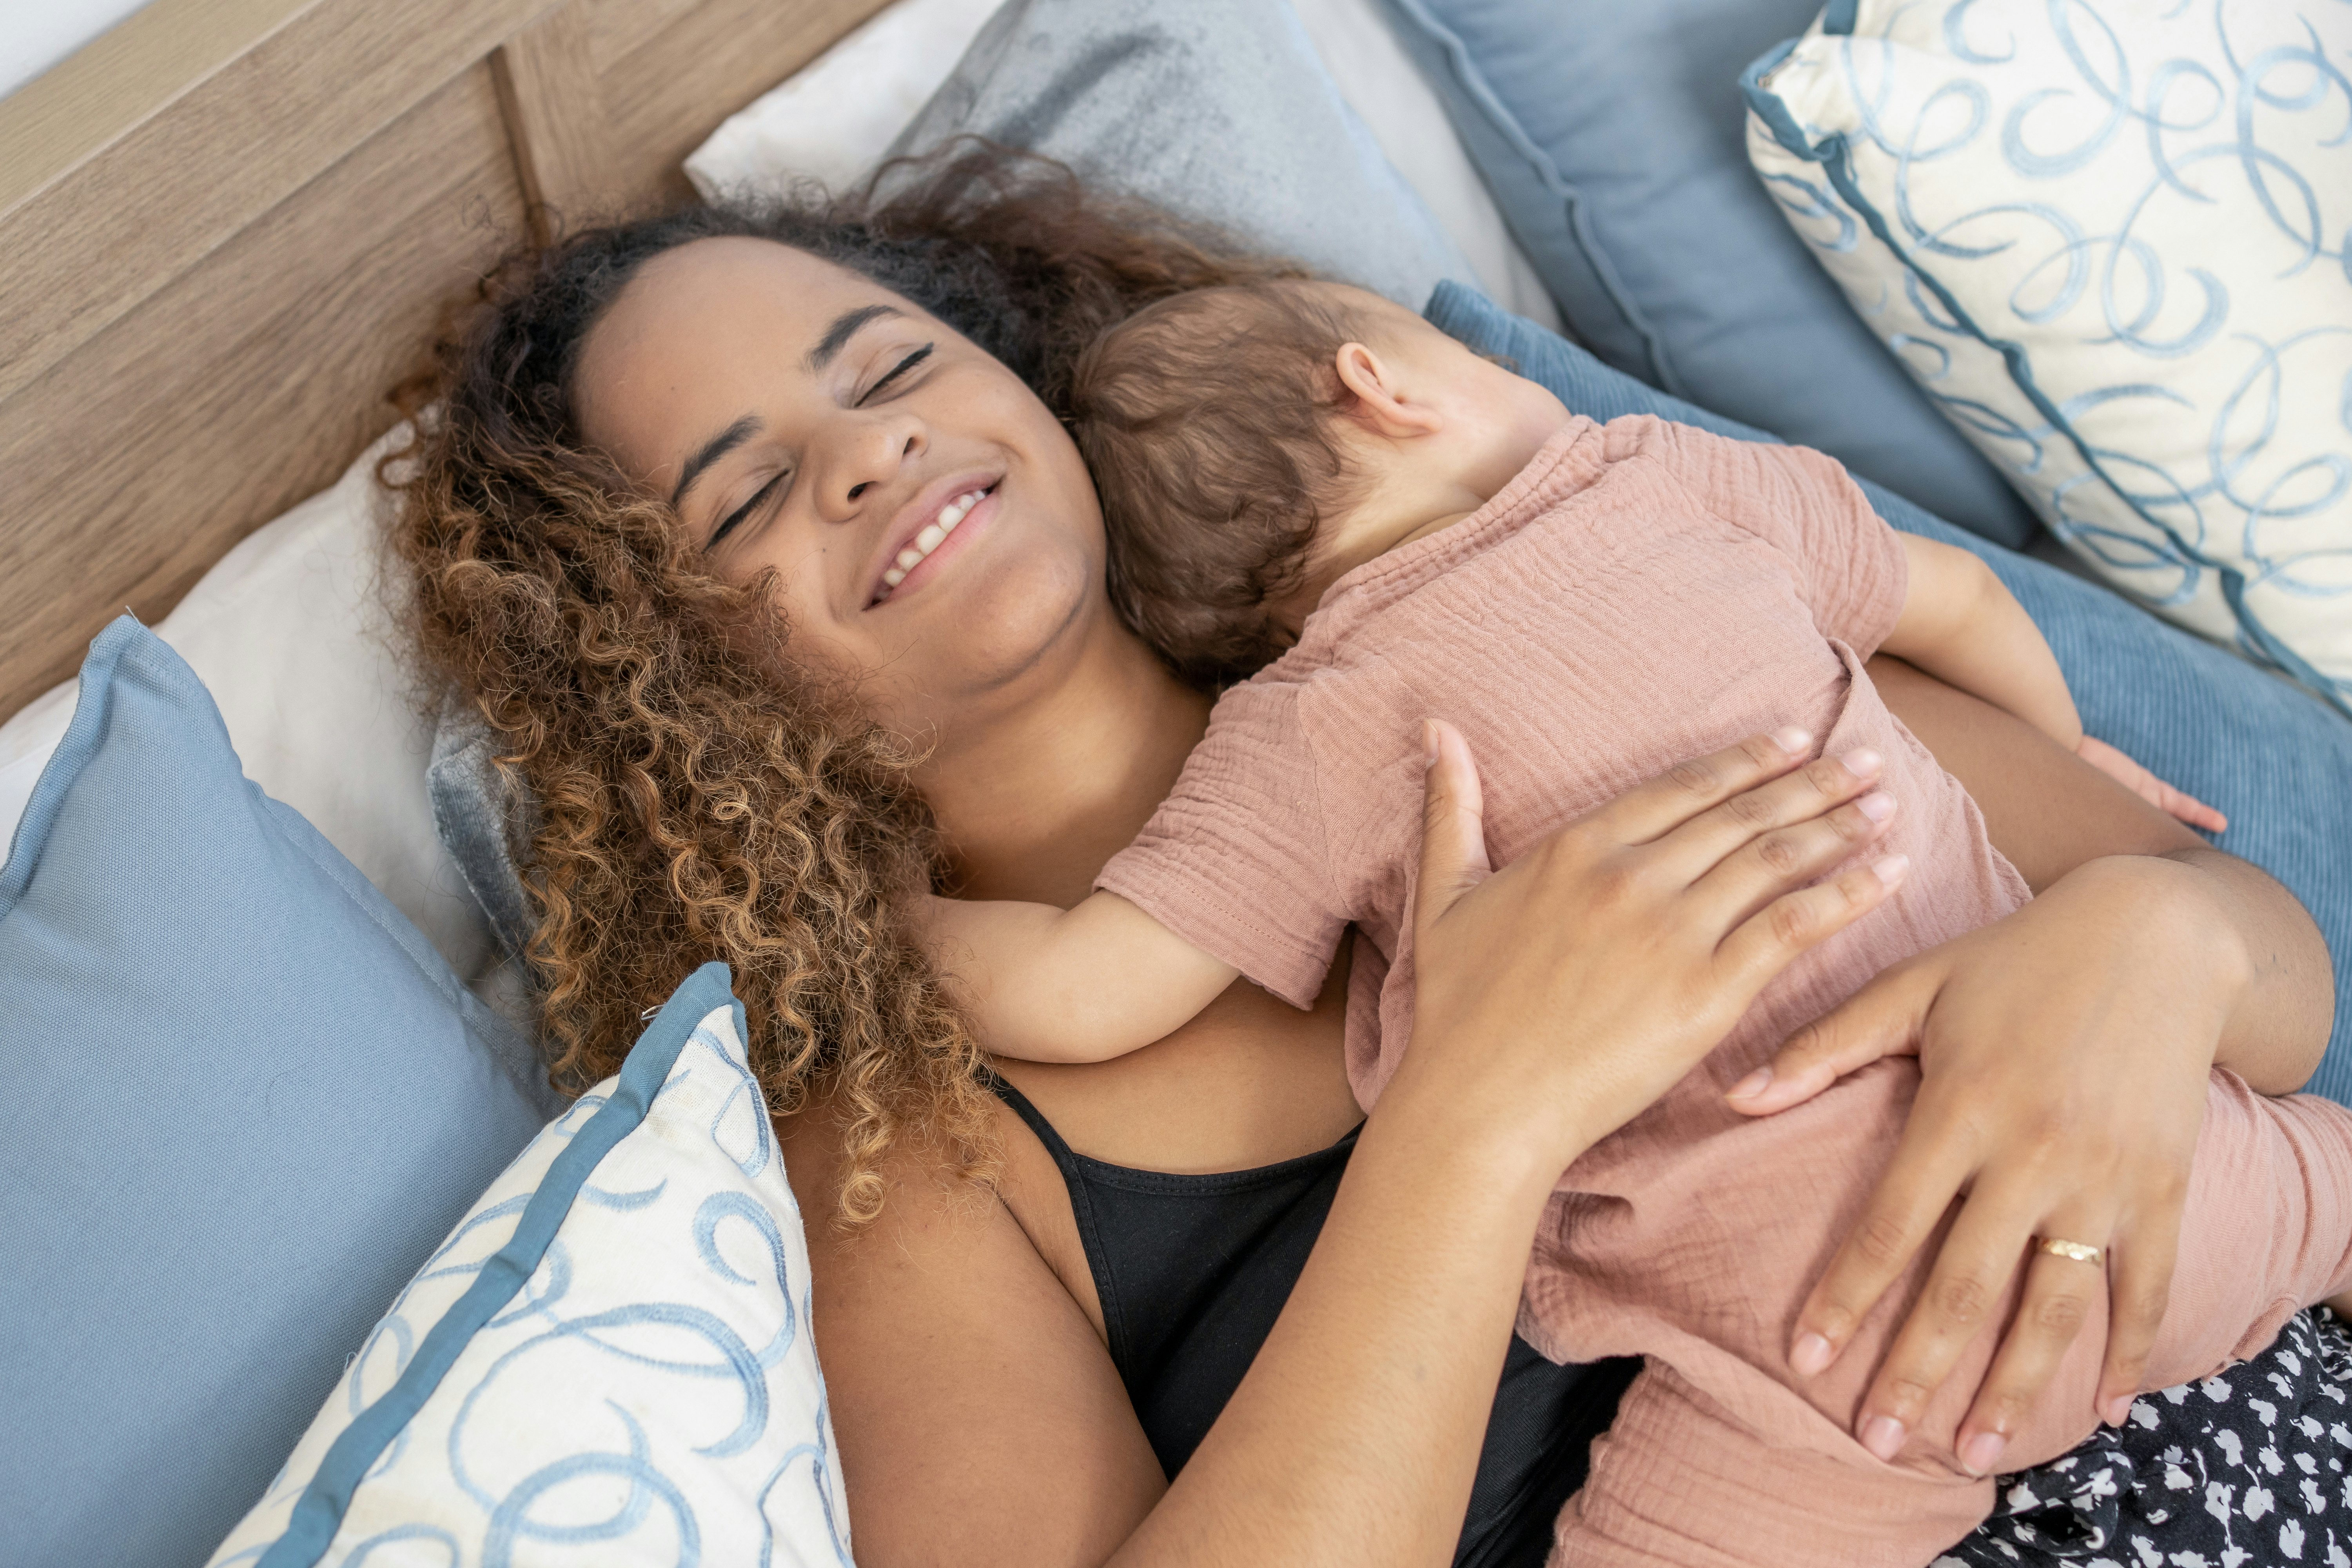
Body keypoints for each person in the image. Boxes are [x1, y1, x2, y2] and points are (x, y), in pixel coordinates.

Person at [392, 148, 2340, 1566]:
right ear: (675, 678)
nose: (866, 457)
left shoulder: (1556, 608)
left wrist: (2151, 955)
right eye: (745, 495)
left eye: (890, 369)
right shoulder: (912, 1141)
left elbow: (2284, 988)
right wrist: (1475, 1121)